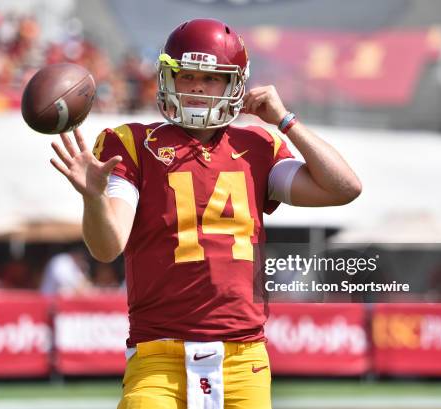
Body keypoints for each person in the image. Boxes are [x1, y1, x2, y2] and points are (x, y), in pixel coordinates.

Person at [49, 18, 361, 409]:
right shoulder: (131, 143)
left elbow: (344, 188)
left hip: (244, 357)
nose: (197, 86)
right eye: (187, 75)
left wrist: (286, 121)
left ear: (235, 85)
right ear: (168, 79)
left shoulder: (259, 145)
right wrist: (93, 199)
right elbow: (107, 247)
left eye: (211, 78)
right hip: (159, 357)